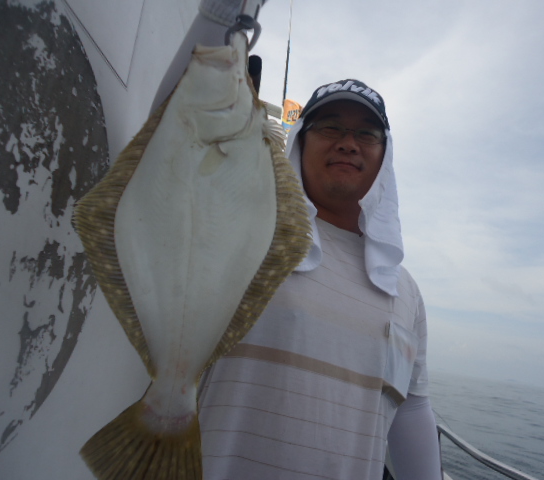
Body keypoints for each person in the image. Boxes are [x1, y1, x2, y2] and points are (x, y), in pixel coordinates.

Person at [153, 3, 443, 479]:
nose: (348, 142)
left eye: (366, 133)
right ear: (299, 143)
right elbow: (169, 139)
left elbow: (411, 408)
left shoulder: (405, 291)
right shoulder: (244, 230)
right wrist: (220, 16)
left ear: (384, 157)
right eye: (330, 128)